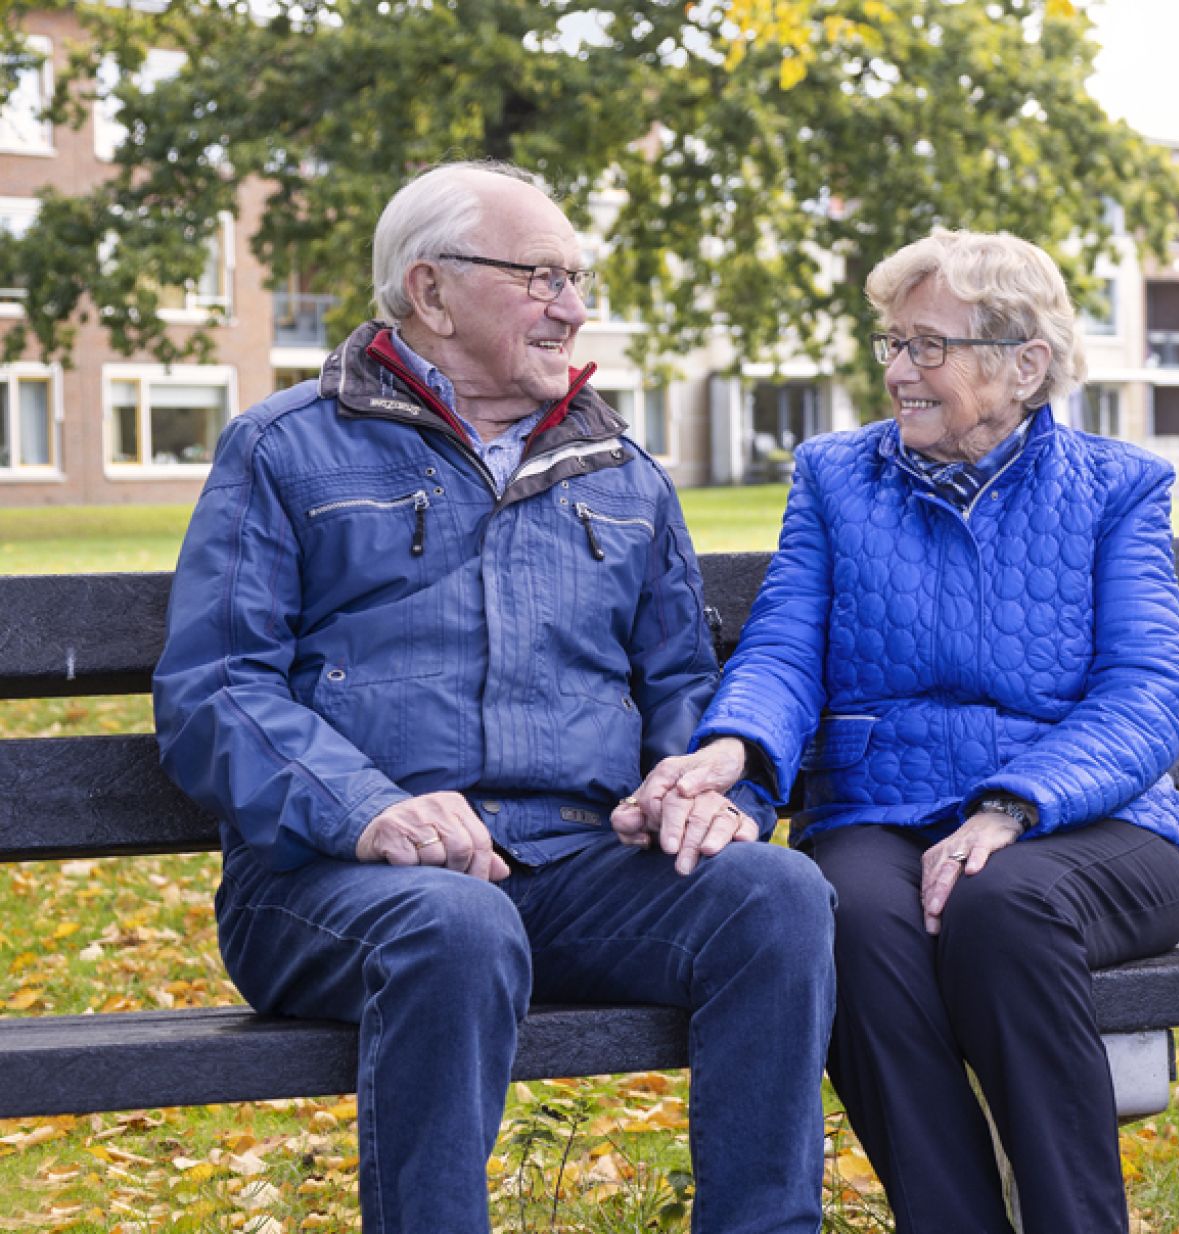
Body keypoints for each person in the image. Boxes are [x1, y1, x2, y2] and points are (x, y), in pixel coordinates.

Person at [152, 162, 835, 1234]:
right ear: (430, 293)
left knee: (777, 896)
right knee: (458, 926)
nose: (572, 305)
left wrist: (700, 785)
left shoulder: (623, 472)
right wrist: (369, 808)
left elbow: (680, 686)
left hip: (577, 866)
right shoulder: (285, 449)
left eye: (575, 276)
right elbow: (216, 691)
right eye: (541, 275)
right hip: (332, 882)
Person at [633, 229, 1179, 1233]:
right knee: (841, 914)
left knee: (1004, 904)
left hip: (1088, 821)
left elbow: (1147, 693)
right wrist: (733, 750)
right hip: (881, 810)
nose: (898, 370)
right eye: (891, 342)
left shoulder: (1119, 487)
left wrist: (1013, 805)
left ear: (1023, 362)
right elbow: (781, 651)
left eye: (926, 346)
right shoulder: (836, 476)